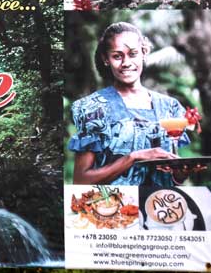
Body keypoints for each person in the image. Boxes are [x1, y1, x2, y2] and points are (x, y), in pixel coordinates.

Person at [69, 22, 191, 186]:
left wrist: (179, 175)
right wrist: (133, 157)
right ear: (106, 59)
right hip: (111, 207)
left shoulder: (169, 107)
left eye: (133, 54)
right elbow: (81, 181)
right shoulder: (93, 107)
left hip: (159, 207)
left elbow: (171, 179)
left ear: (144, 53)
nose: (126, 62)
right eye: (117, 56)